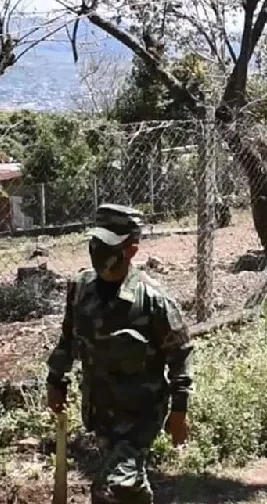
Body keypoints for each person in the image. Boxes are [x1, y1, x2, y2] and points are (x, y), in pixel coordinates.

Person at [46, 204, 193, 504]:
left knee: (113, 486)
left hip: (140, 414)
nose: (97, 250)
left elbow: (180, 354)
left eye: (107, 245)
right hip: (99, 410)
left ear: (131, 249)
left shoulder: (153, 300)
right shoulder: (80, 288)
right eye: (95, 242)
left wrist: (179, 411)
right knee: (128, 483)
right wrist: (55, 379)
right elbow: (68, 338)